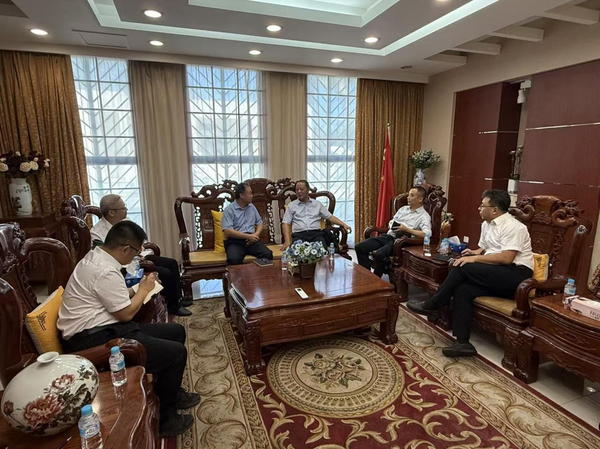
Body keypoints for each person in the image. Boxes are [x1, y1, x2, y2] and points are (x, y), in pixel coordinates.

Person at [58, 221, 200, 437]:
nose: (136, 256)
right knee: (176, 353)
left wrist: (139, 287)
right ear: (125, 249)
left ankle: (172, 393)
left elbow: (114, 295)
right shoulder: (104, 270)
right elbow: (125, 314)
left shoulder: (98, 258)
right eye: (135, 252)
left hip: (105, 326)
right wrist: (143, 290)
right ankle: (165, 420)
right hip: (95, 338)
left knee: (176, 332)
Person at [407, 190, 533, 357]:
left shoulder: (514, 227)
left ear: (494, 209)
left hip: (516, 275)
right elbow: (486, 248)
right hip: (498, 272)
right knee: (463, 289)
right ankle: (463, 343)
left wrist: (474, 259)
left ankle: (435, 304)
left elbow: (506, 258)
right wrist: (474, 252)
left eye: (482, 205)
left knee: (462, 267)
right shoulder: (487, 224)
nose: (479, 208)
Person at [91, 194, 191, 317]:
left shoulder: (125, 222)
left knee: (172, 263)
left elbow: (139, 239)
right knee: (165, 273)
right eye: (123, 208)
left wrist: (139, 247)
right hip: (126, 265)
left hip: (137, 256)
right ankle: (173, 306)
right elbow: (108, 256)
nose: (126, 210)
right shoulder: (97, 233)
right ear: (111, 212)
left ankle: (178, 299)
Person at [355, 186, 431, 277]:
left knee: (380, 254)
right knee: (359, 247)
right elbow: (392, 221)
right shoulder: (403, 209)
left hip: (401, 241)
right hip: (388, 236)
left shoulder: (424, 216)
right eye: (408, 195)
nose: (408, 197)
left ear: (420, 199)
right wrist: (392, 225)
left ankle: (376, 279)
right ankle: (366, 275)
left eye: (411, 195)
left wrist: (406, 229)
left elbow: (427, 234)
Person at [280, 180, 352, 251]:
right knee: (299, 252)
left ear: (308, 190)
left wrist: (343, 224)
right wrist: (287, 240)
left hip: (316, 234)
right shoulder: (291, 206)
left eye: (301, 189)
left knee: (321, 250)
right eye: (297, 190)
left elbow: (330, 217)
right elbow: (285, 223)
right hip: (299, 235)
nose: (299, 191)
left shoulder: (317, 204)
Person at [222, 182, 273, 265]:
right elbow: (227, 231)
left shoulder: (252, 207)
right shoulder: (229, 210)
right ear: (242, 195)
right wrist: (248, 236)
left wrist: (255, 235)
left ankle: (257, 273)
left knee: (267, 254)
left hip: (252, 240)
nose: (252, 196)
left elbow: (259, 223)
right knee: (234, 259)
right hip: (235, 241)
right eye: (250, 193)